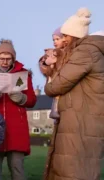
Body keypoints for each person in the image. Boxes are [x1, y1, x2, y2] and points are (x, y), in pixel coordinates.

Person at [43, 7, 104, 180]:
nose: (63, 40)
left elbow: (57, 86)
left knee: (71, 171)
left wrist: (52, 73)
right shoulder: (94, 52)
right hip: (86, 121)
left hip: (79, 123)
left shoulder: (85, 53)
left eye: (65, 36)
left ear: (73, 35)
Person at [0, 39, 36, 180]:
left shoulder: (23, 75)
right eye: (1, 58)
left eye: (8, 59)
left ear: (13, 59)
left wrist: (22, 98)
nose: (4, 62)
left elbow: (32, 100)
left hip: (16, 130)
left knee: (17, 168)